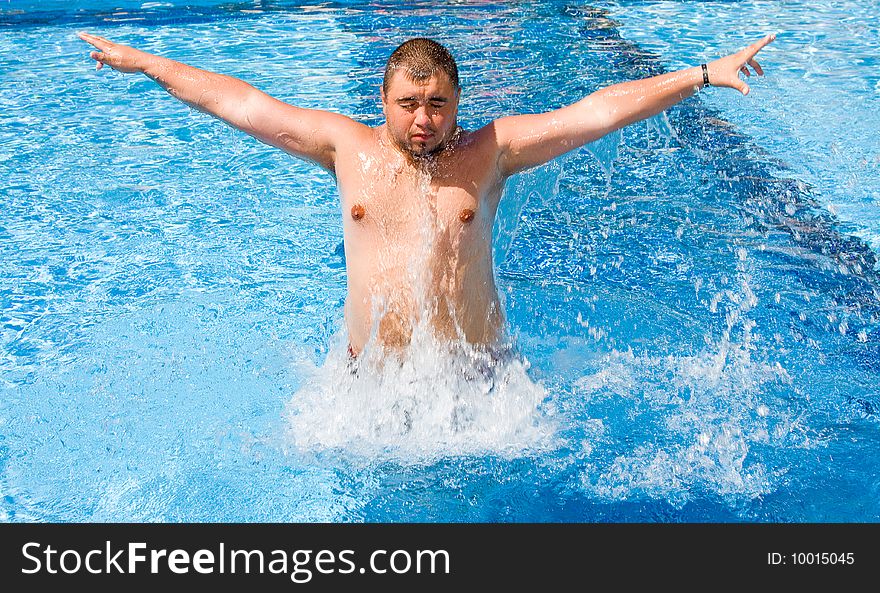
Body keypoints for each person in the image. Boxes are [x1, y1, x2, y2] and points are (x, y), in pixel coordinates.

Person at [78, 31, 775, 359]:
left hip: (476, 395)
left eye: (438, 103)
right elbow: (242, 102)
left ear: (458, 102)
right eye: (409, 102)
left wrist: (702, 74)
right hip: (368, 393)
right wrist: (146, 63)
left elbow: (596, 110)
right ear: (381, 100)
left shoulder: (492, 152)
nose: (423, 119)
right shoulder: (343, 147)